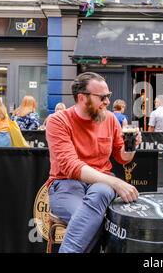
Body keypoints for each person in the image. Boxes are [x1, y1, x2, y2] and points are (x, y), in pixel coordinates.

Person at [45, 72, 142, 253]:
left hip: (100, 185)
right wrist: (115, 182)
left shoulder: (111, 118)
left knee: (101, 194)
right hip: (66, 184)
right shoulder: (58, 120)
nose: (107, 102)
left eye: (108, 96)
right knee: (92, 219)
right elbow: (70, 166)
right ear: (82, 98)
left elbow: (123, 158)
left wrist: (132, 146)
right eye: (102, 97)